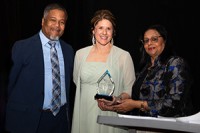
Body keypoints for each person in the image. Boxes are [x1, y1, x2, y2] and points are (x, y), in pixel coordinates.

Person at [99, 24, 194, 119]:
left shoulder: (175, 63)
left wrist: (136, 104)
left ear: (164, 40)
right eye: (146, 40)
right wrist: (113, 104)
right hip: (143, 126)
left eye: (154, 39)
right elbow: (135, 104)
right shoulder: (144, 69)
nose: (149, 43)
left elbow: (173, 103)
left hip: (169, 127)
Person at [5, 3, 74, 133]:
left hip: (61, 120)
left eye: (62, 22)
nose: (57, 26)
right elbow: (9, 86)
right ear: (43, 21)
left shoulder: (68, 50)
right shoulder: (21, 48)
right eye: (53, 20)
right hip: (31, 120)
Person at [71, 9, 136, 133]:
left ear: (113, 32)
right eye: (100, 28)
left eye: (108, 29)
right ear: (93, 31)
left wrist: (116, 99)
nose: (104, 32)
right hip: (84, 115)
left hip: (110, 115)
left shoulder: (124, 56)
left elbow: (129, 91)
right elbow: (76, 82)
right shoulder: (80, 55)